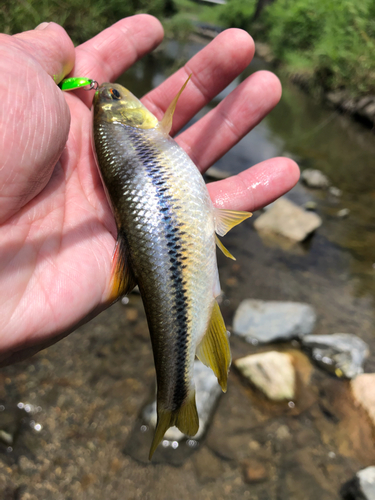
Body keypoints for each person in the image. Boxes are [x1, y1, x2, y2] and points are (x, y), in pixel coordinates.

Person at [0, 15, 299, 365]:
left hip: (164, 221)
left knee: (191, 313)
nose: (111, 93)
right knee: (193, 314)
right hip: (169, 222)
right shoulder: (149, 127)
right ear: (128, 116)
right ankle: (176, 391)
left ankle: (176, 391)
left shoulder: (138, 133)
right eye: (111, 96)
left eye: (107, 98)